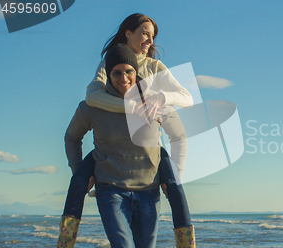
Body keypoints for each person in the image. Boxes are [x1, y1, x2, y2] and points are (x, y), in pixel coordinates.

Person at [57, 13, 195, 247]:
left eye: (152, 36)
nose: (149, 40)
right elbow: (91, 97)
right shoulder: (107, 63)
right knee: (80, 181)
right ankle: (65, 241)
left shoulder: (155, 67)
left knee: (175, 189)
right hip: (111, 174)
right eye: (144, 33)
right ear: (128, 33)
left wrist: (160, 97)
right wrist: (132, 107)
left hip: (148, 164)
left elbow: (185, 102)